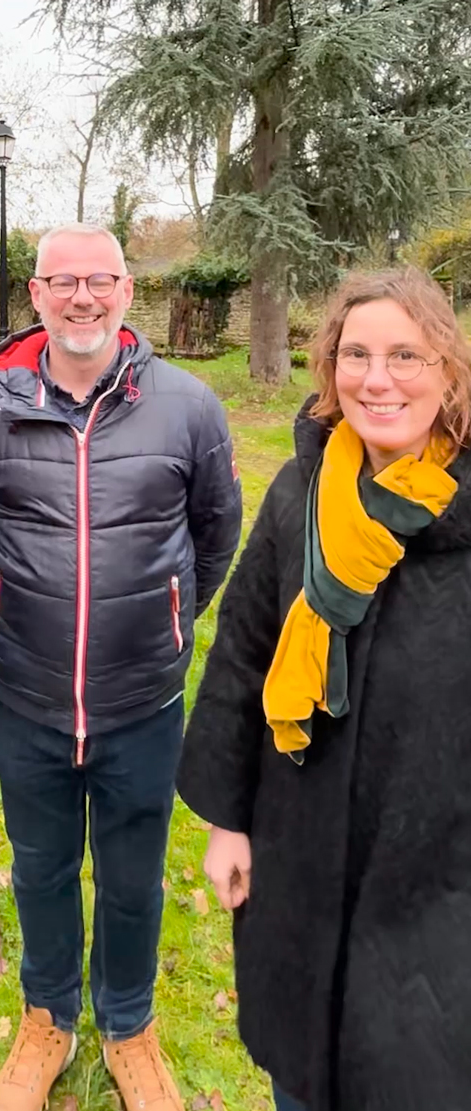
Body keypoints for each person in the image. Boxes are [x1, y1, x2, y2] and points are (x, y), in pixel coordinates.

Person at [0, 222, 242, 1111]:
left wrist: (161, 619)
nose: (83, 295)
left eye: (102, 279)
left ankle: (129, 1023)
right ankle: (48, 1016)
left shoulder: (189, 405)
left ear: (127, 291)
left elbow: (214, 535)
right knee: (40, 871)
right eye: (63, 280)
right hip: (27, 697)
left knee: (131, 876)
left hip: (141, 701)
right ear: (36, 294)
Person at [177, 267, 471, 1111]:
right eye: (357, 354)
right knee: (302, 1075)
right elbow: (241, 649)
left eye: (406, 355)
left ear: (448, 369)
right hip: (299, 845)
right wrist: (228, 821)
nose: (377, 378)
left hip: (440, 872)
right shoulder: (303, 493)